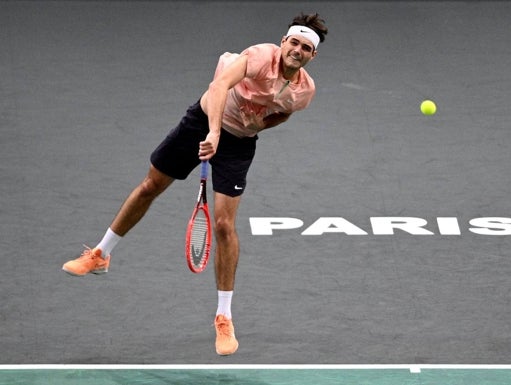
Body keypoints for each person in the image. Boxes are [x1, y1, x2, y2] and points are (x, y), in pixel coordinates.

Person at [62, 13, 328, 356]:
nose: (297, 50)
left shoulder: (304, 91)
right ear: (283, 42)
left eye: (305, 48)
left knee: (223, 224)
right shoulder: (260, 57)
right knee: (150, 187)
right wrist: (214, 132)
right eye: (294, 42)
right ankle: (100, 254)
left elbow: (284, 112)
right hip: (201, 123)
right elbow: (219, 87)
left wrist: (257, 125)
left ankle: (224, 317)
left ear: (312, 56)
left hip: (239, 146)